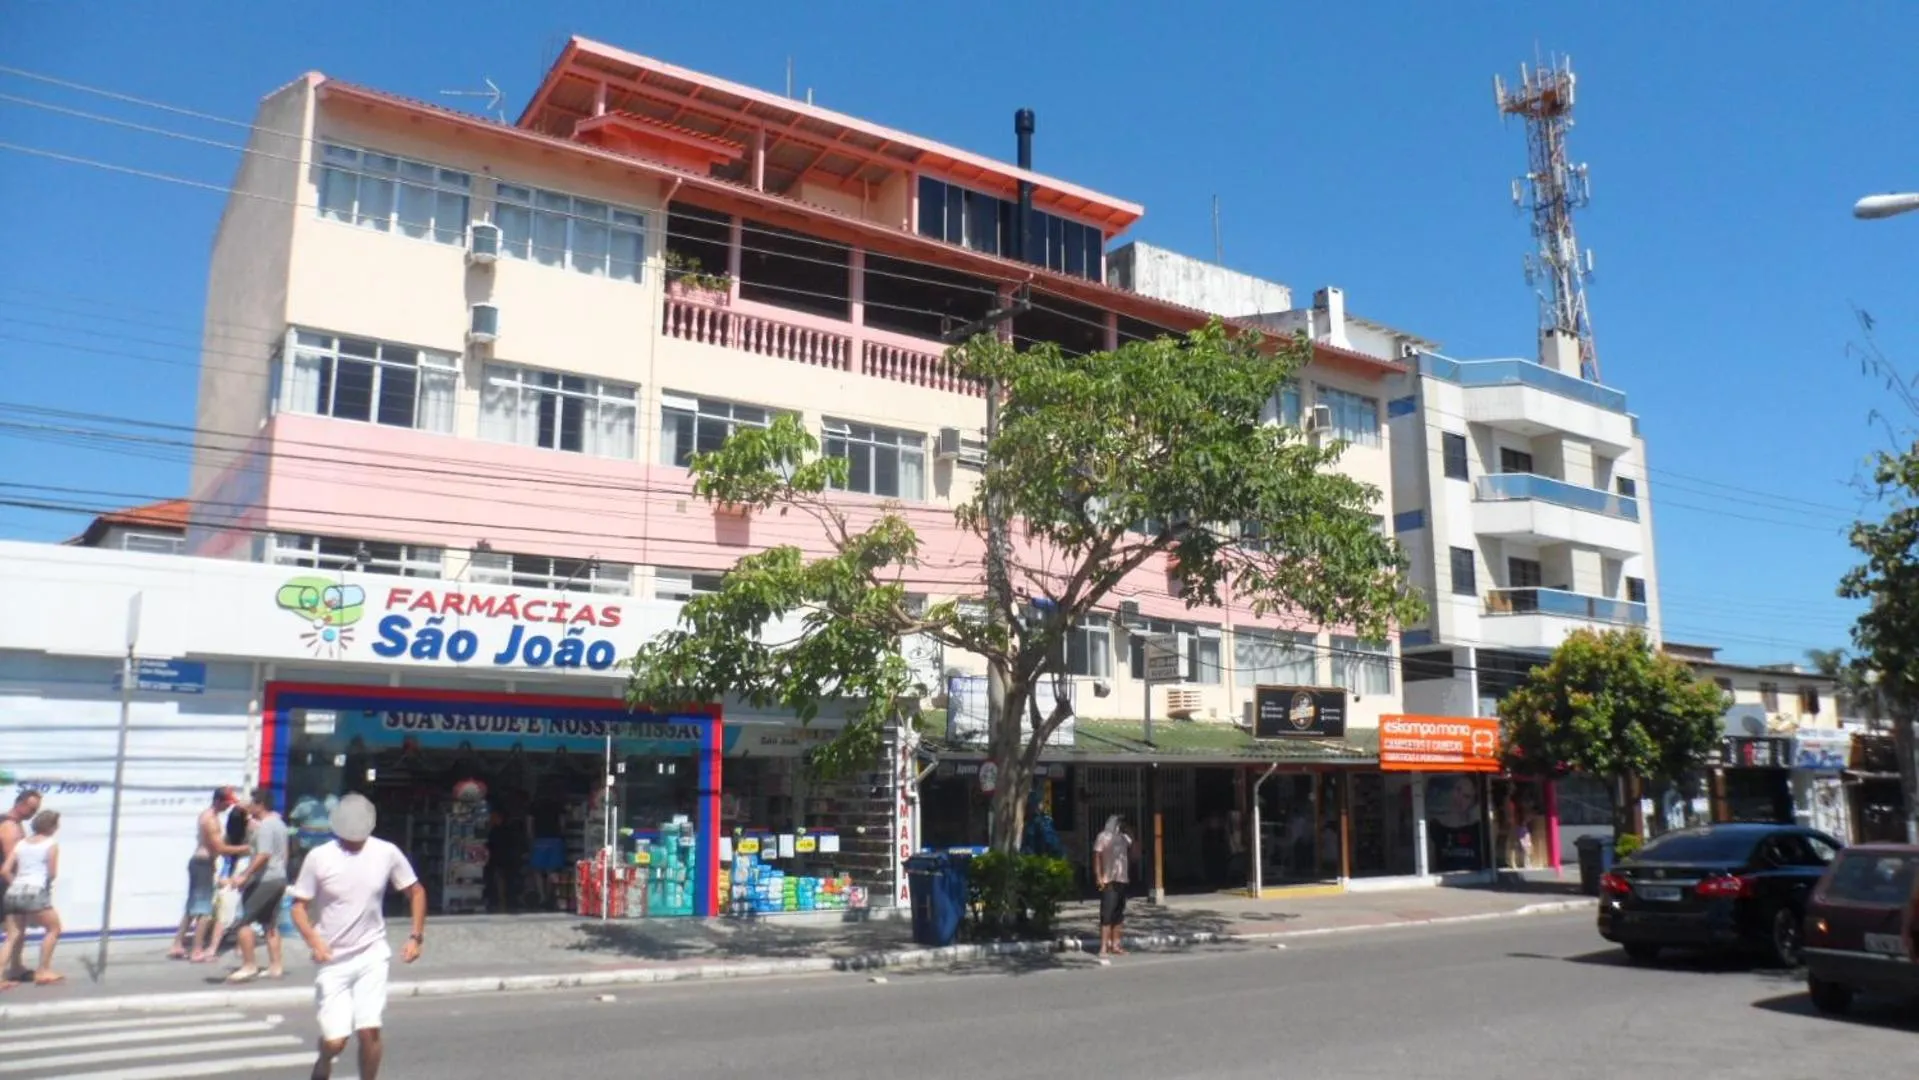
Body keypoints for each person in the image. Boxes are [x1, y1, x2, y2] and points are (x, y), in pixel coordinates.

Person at [291, 792, 425, 1080]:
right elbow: (299, 907)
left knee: (369, 1028)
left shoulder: (386, 852)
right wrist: (315, 941)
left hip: (372, 953)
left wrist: (416, 937)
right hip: (333, 958)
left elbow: (415, 891)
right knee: (335, 1041)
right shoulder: (319, 857)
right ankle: (325, 1057)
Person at [172, 787, 248, 962]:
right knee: (204, 911)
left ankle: (177, 944)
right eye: (227, 804)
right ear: (218, 801)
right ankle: (197, 950)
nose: (228, 808)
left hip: (202, 863)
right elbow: (220, 848)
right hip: (203, 864)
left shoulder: (209, 816)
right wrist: (247, 848)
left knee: (192, 908)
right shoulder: (210, 820)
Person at [222, 787, 289, 982]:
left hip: (265, 879)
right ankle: (276, 966)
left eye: (251, 803)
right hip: (278, 877)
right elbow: (283, 853)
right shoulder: (279, 824)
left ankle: (249, 965)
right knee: (270, 924)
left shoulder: (266, 826)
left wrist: (244, 875)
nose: (248, 806)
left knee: (244, 922)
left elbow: (263, 854)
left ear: (260, 804)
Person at [0, 809, 64, 988]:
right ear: (51, 826)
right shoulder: (51, 844)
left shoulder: (21, 844)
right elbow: (51, 873)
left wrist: (17, 884)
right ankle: (43, 970)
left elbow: (4, 870)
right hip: (35, 890)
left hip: (14, 891)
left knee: (12, 935)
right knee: (54, 929)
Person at [0, 790, 42, 982]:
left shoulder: (16, 825)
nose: (33, 812)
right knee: (14, 931)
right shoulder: (9, 826)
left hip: (12, 884)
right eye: (31, 808)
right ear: (20, 803)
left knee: (19, 929)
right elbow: (12, 861)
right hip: (8, 885)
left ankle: (16, 966)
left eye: (36, 809)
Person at [1093, 815, 1133, 957]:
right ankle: (1104, 946)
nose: (1120, 825)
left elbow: (1136, 851)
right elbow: (1097, 857)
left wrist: (1130, 832)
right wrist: (1098, 876)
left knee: (1118, 914)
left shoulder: (1124, 838)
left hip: (1122, 879)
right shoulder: (1103, 837)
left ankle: (1116, 945)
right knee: (1106, 914)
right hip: (1108, 880)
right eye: (1118, 823)